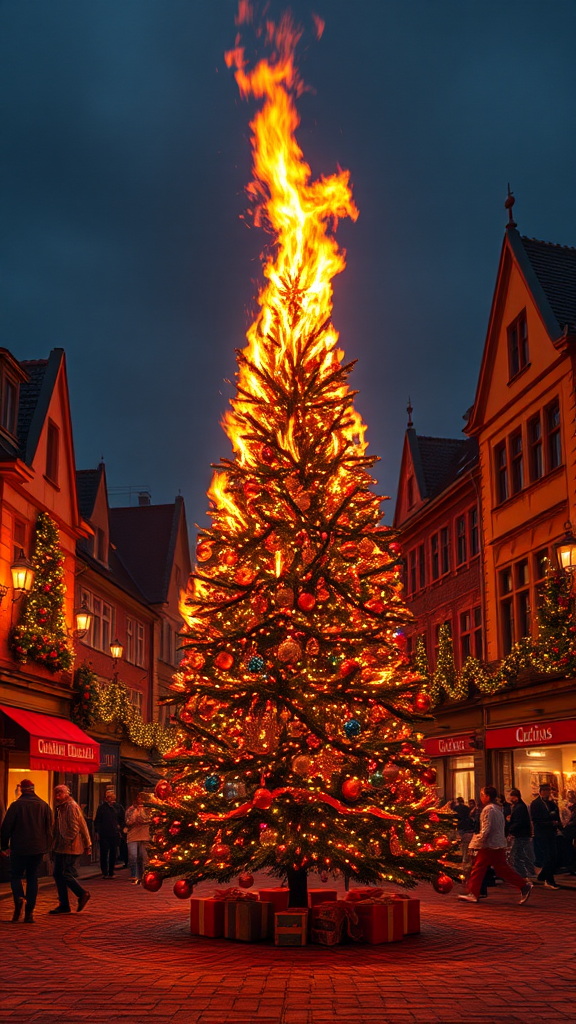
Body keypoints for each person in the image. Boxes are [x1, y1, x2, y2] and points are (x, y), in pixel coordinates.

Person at [458, 785, 532, 905]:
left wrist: (476, 842)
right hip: (496, 843)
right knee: (501, 869)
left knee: (479, 867)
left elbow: (486, 829)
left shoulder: (489, 809)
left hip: (489, 844)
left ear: (487, 796)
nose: (481, 797)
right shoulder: (497, 809)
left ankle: (473, 892)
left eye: (482, 795)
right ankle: (523, 886)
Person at [0, 779, 52, 923]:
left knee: (15, 875)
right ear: (33, 789)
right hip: (38, 848)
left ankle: (18, 898)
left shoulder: (16, 806)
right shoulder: (44, 805)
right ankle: (29, 913)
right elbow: (49, 829)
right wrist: (47, 847)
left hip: (19, 847)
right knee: (32, 877)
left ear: (21, 790)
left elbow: (6, 828)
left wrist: (4, 846)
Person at [50, 784, 92, 914]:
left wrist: (86, 844)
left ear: (66, 794)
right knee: (58, 874)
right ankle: (64, 904)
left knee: (64, 873)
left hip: (68, 846)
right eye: (56, 794)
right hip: (63, 846)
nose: (57, 797)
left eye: (60, 794)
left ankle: (82, 894)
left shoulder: (70, 806)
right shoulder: (62, 807)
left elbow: (75, 827)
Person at [530, 783, 562, 889]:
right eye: (547, 790)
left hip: (551, 832)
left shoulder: (551, 803)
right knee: (549, 855)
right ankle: (549, 879)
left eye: (549, 790)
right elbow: (536, 819)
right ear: (542, 791)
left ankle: (544, 875)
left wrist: (559, 826)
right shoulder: (536, 804)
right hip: (542, 833)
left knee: (553, 855)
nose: (549, 792)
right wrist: (550, 823)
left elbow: (555, 814)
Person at [506, 787, 536, 880]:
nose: (510, 799)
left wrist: (510, 827)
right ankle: (528, 872)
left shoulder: (519, 807)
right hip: (522, 834)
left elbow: (519, 822)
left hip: (520, 834)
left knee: (517, 854)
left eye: (511, 797)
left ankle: (522, 874)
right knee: (522, 853)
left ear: (515, 797)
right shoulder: (519, 806)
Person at [94, 789, 125, 878]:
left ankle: (111, 871)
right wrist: (97, 831)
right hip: (104, 833)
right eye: (108, 797)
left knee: (113, 852)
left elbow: (122, 819)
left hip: (114, 833)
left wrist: (121, 829)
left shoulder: (118, 807)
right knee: (104, 852)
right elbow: (97, 820)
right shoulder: (102, 807)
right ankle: (104, 871)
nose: (110, 799)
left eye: (111, 797)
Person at [124, 792, 150, 884]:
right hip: (133, 836)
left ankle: (143, 876)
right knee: (133, 856)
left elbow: (151, 819)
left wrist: (143, 820)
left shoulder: (148, 809)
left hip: (144, 835)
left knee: (143, 857)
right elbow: (128, 821)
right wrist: (135, 818)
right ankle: (134, 875)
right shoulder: (131, 810)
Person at [453, 797, 475, 863]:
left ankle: (463, 856)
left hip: (460, 826)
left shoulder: (456, 808)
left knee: (462, 842)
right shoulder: (466, 808)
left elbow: (454, 816)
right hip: (466, 827)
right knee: (466, 843)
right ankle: (466, 857)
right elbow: (469, 816)